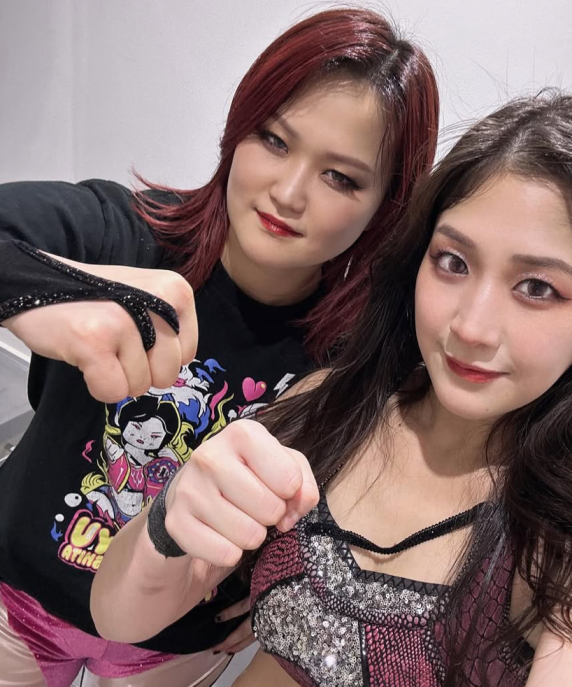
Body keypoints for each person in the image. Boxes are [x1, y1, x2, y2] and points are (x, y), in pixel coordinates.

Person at [92, 90, 572, 687]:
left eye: (537, 288)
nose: (471, 328)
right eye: (453, 262)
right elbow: (120, 617)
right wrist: (171, 513)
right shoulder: (334, 406)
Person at [0, 8, 439, 686]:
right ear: (239, 129)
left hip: (174, 646)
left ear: (385, 205)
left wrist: (279, 590)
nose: (287, 193)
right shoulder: (126, 236)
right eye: (274, 139)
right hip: (17, 597)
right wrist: (37, 295)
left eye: (341, 178)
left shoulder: (358, 357)